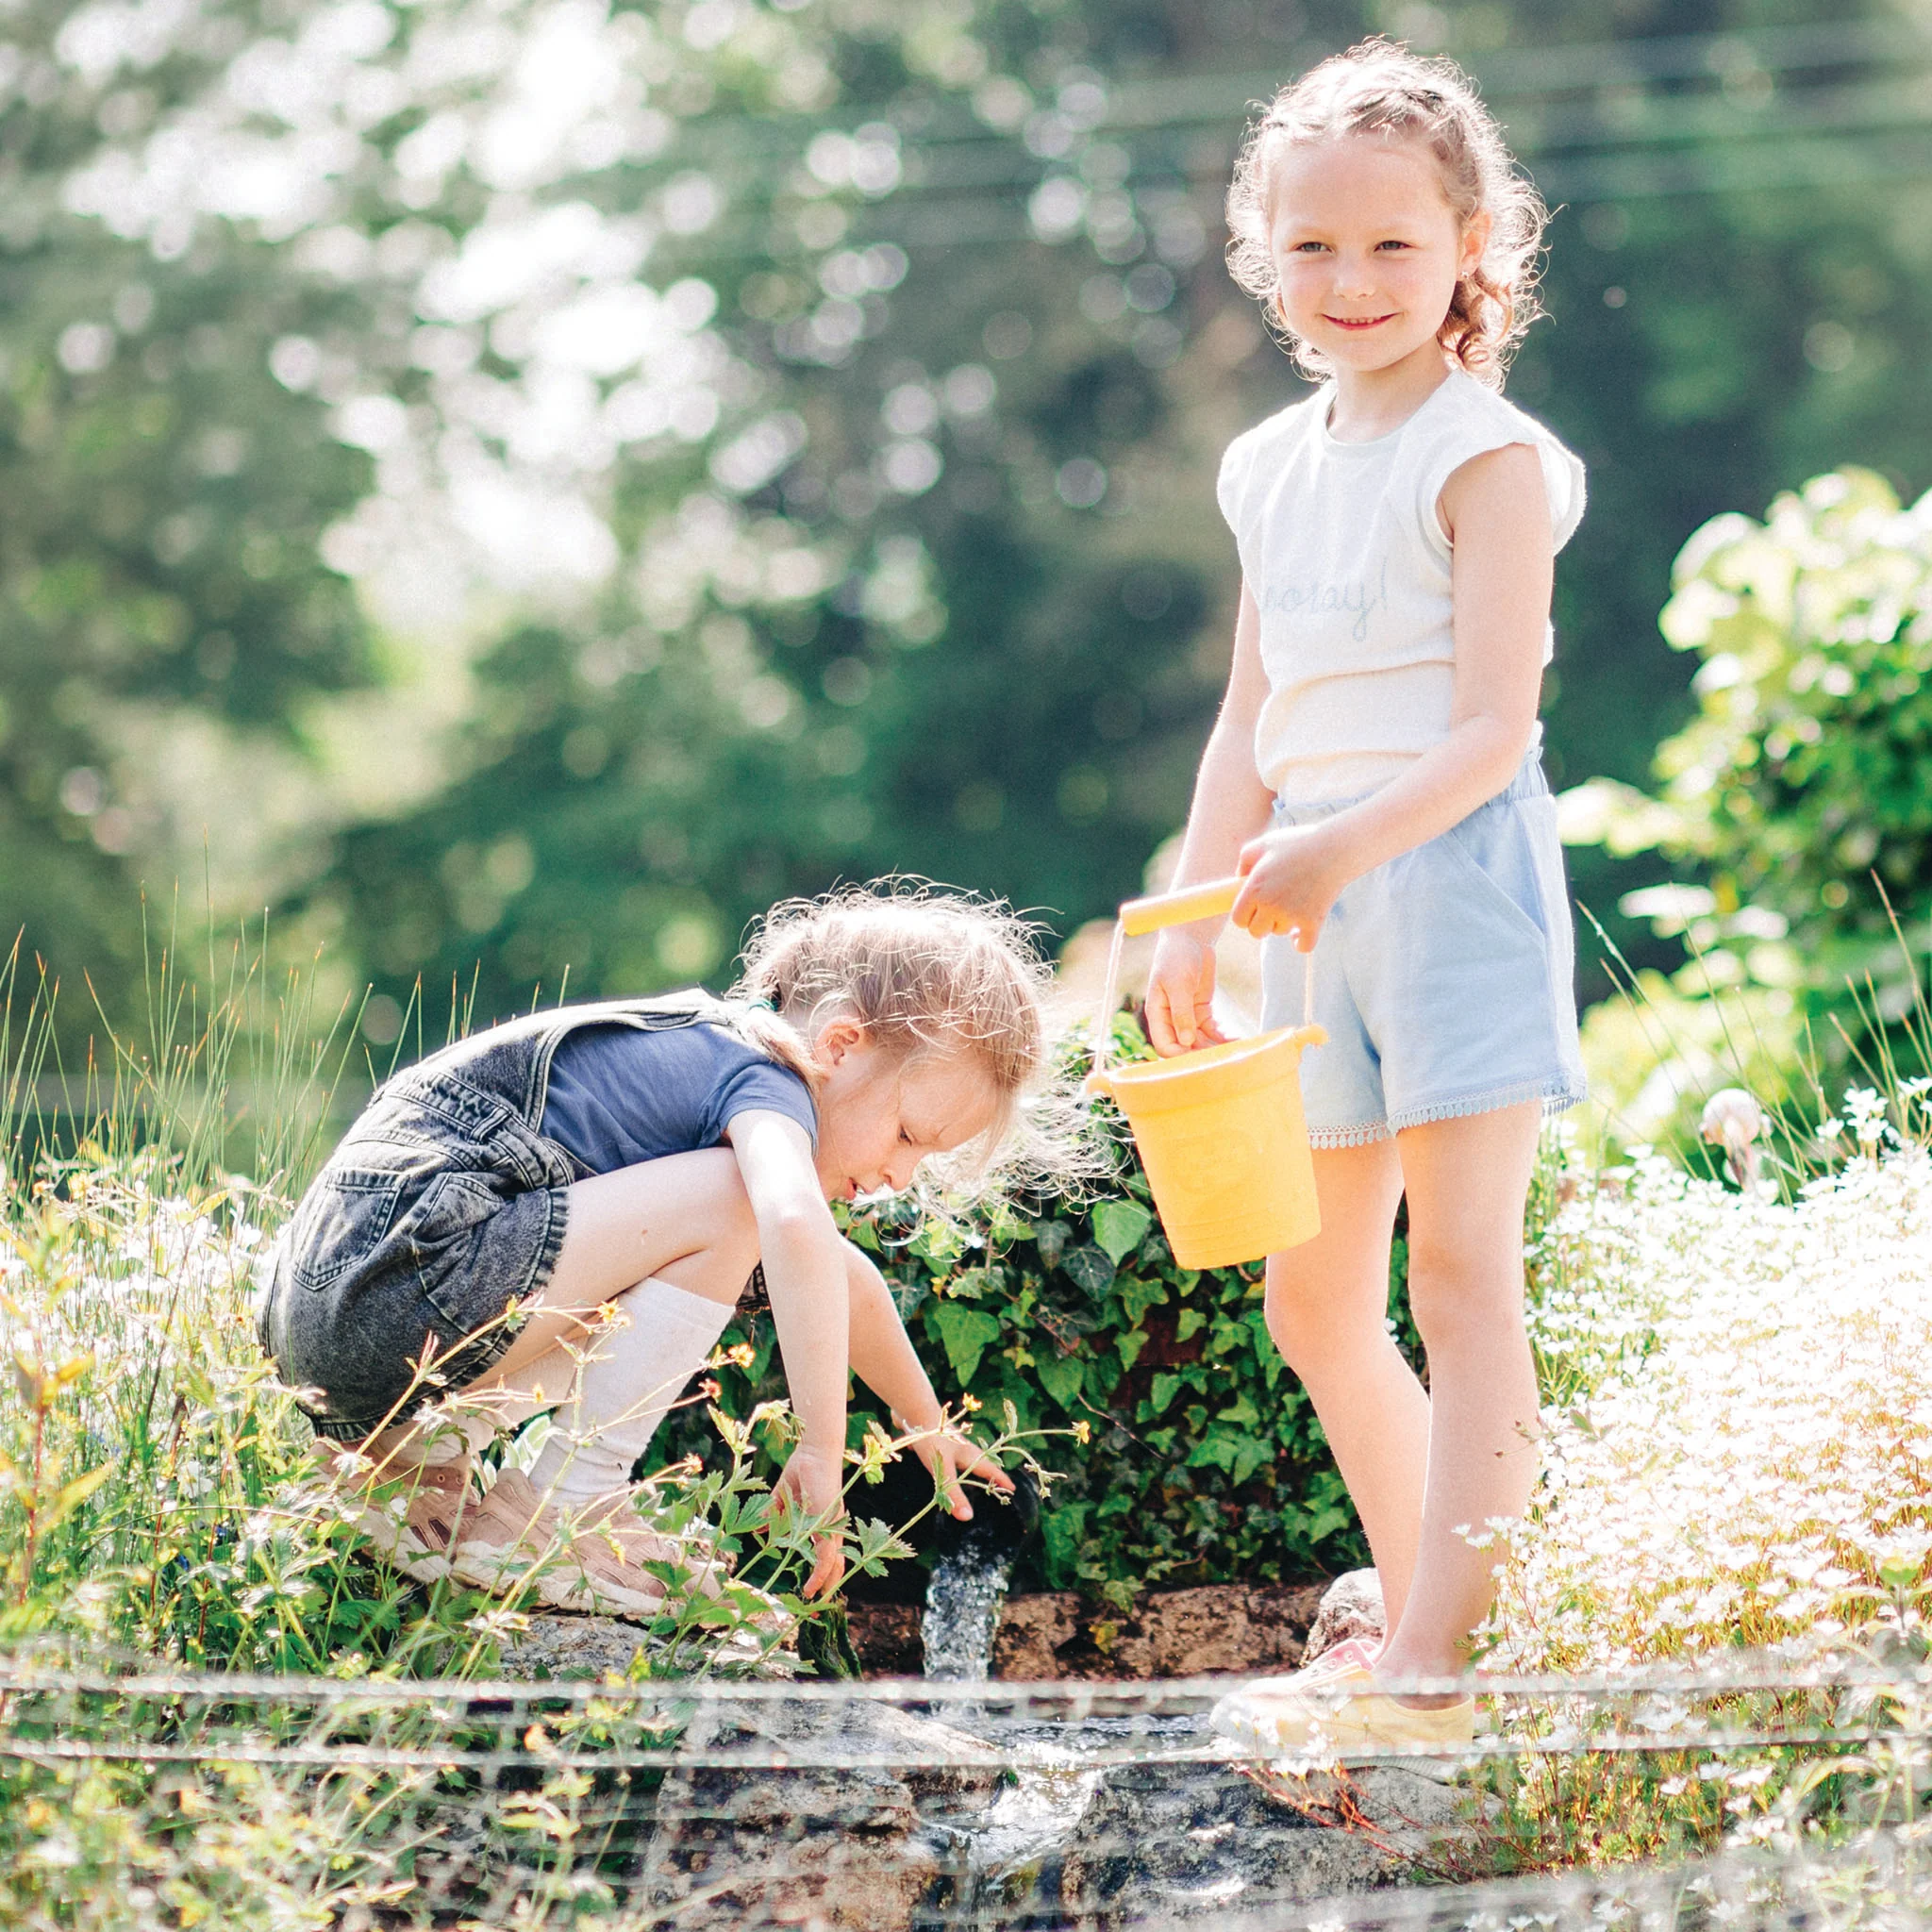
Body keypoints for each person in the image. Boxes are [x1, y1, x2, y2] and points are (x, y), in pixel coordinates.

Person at [1142, 41, 1587, 1754]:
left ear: (1473, 244)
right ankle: (1427, 1617)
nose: (1351, 278)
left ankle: (1446, 1660)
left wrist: (1335, 852)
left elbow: (1492, 731)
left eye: (1393, 243)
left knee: (1459, 1276)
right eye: (1312, 245)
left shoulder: (1487, 458)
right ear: (1262, 254)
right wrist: (1198, 907)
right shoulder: (1268, 464)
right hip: (1300, 897)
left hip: (1450, 879)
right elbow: (1249, 716)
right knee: (1313, 1294)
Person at [257, 884, 1081, 1614]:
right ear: (839, 1046)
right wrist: (820, 1447)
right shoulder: (767, 1079)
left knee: (754, 1219)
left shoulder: (712, 1058)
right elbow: (795, 1224)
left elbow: (842, 1277)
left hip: (332, 1315)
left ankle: (402, 1463)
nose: (900, 1175)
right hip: (401, 1291)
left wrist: (924, 1425)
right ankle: (567, 1505)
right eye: (907, 1135)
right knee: (743, 1199)